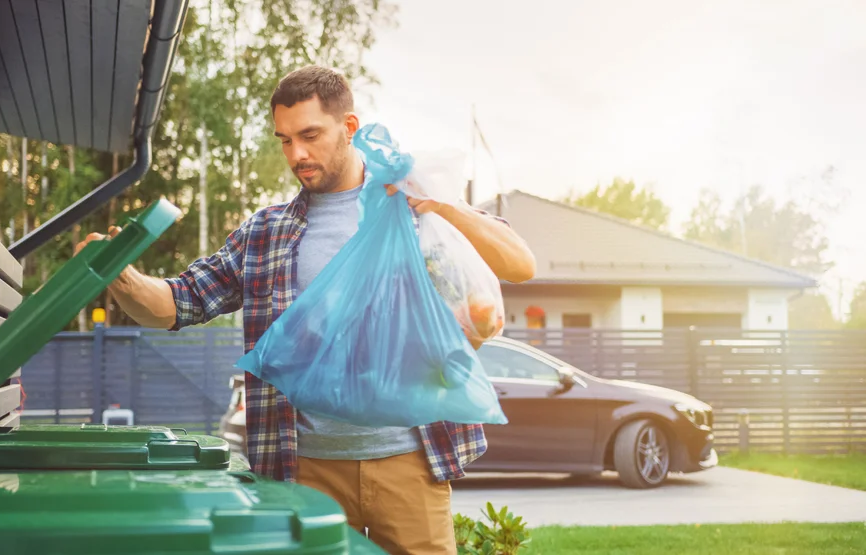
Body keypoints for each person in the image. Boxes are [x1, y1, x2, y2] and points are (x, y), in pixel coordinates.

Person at [76, 65, 537, 554]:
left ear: (350, 128)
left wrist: (441, 205)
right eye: (284, 140)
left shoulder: (411, 211)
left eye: (310, 135)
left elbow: (519, 264)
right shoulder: (266, 234)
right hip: (304, 468)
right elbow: (176, 303)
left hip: (409, 460)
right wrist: (119, 275)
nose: (297, 154)